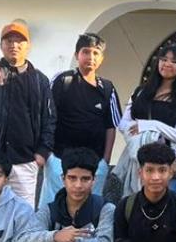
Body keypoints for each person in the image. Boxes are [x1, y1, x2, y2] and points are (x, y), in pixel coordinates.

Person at [0, 20, 56, 207]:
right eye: (8, 41)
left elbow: (49, 119)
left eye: (19, 41)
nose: (14, 45)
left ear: (28, 46)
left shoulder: (39, 80)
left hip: (24, 161)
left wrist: (42, 153)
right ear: (1, 46)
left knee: (23, 215)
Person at [40, 33, 121, 206]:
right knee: (52, 210)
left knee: (90, 213)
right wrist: (48, 156)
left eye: (95, 53)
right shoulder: (62, 81)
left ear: (101, 58)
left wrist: (105, 161)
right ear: (77, 55)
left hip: (94, 165)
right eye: (85, 52)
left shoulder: (107, 88)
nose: (90, 57)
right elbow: (47, 117)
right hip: (59, 161)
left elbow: (111, 126)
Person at [116, 43, 176, 197]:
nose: (167, 64)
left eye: (174, 61)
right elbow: (123, 124)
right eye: (164, 59)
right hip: (137, 160)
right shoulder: (140, 92)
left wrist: (149, 125)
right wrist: (143, 130)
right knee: (134, 208)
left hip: (168, 163)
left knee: (168, 211)